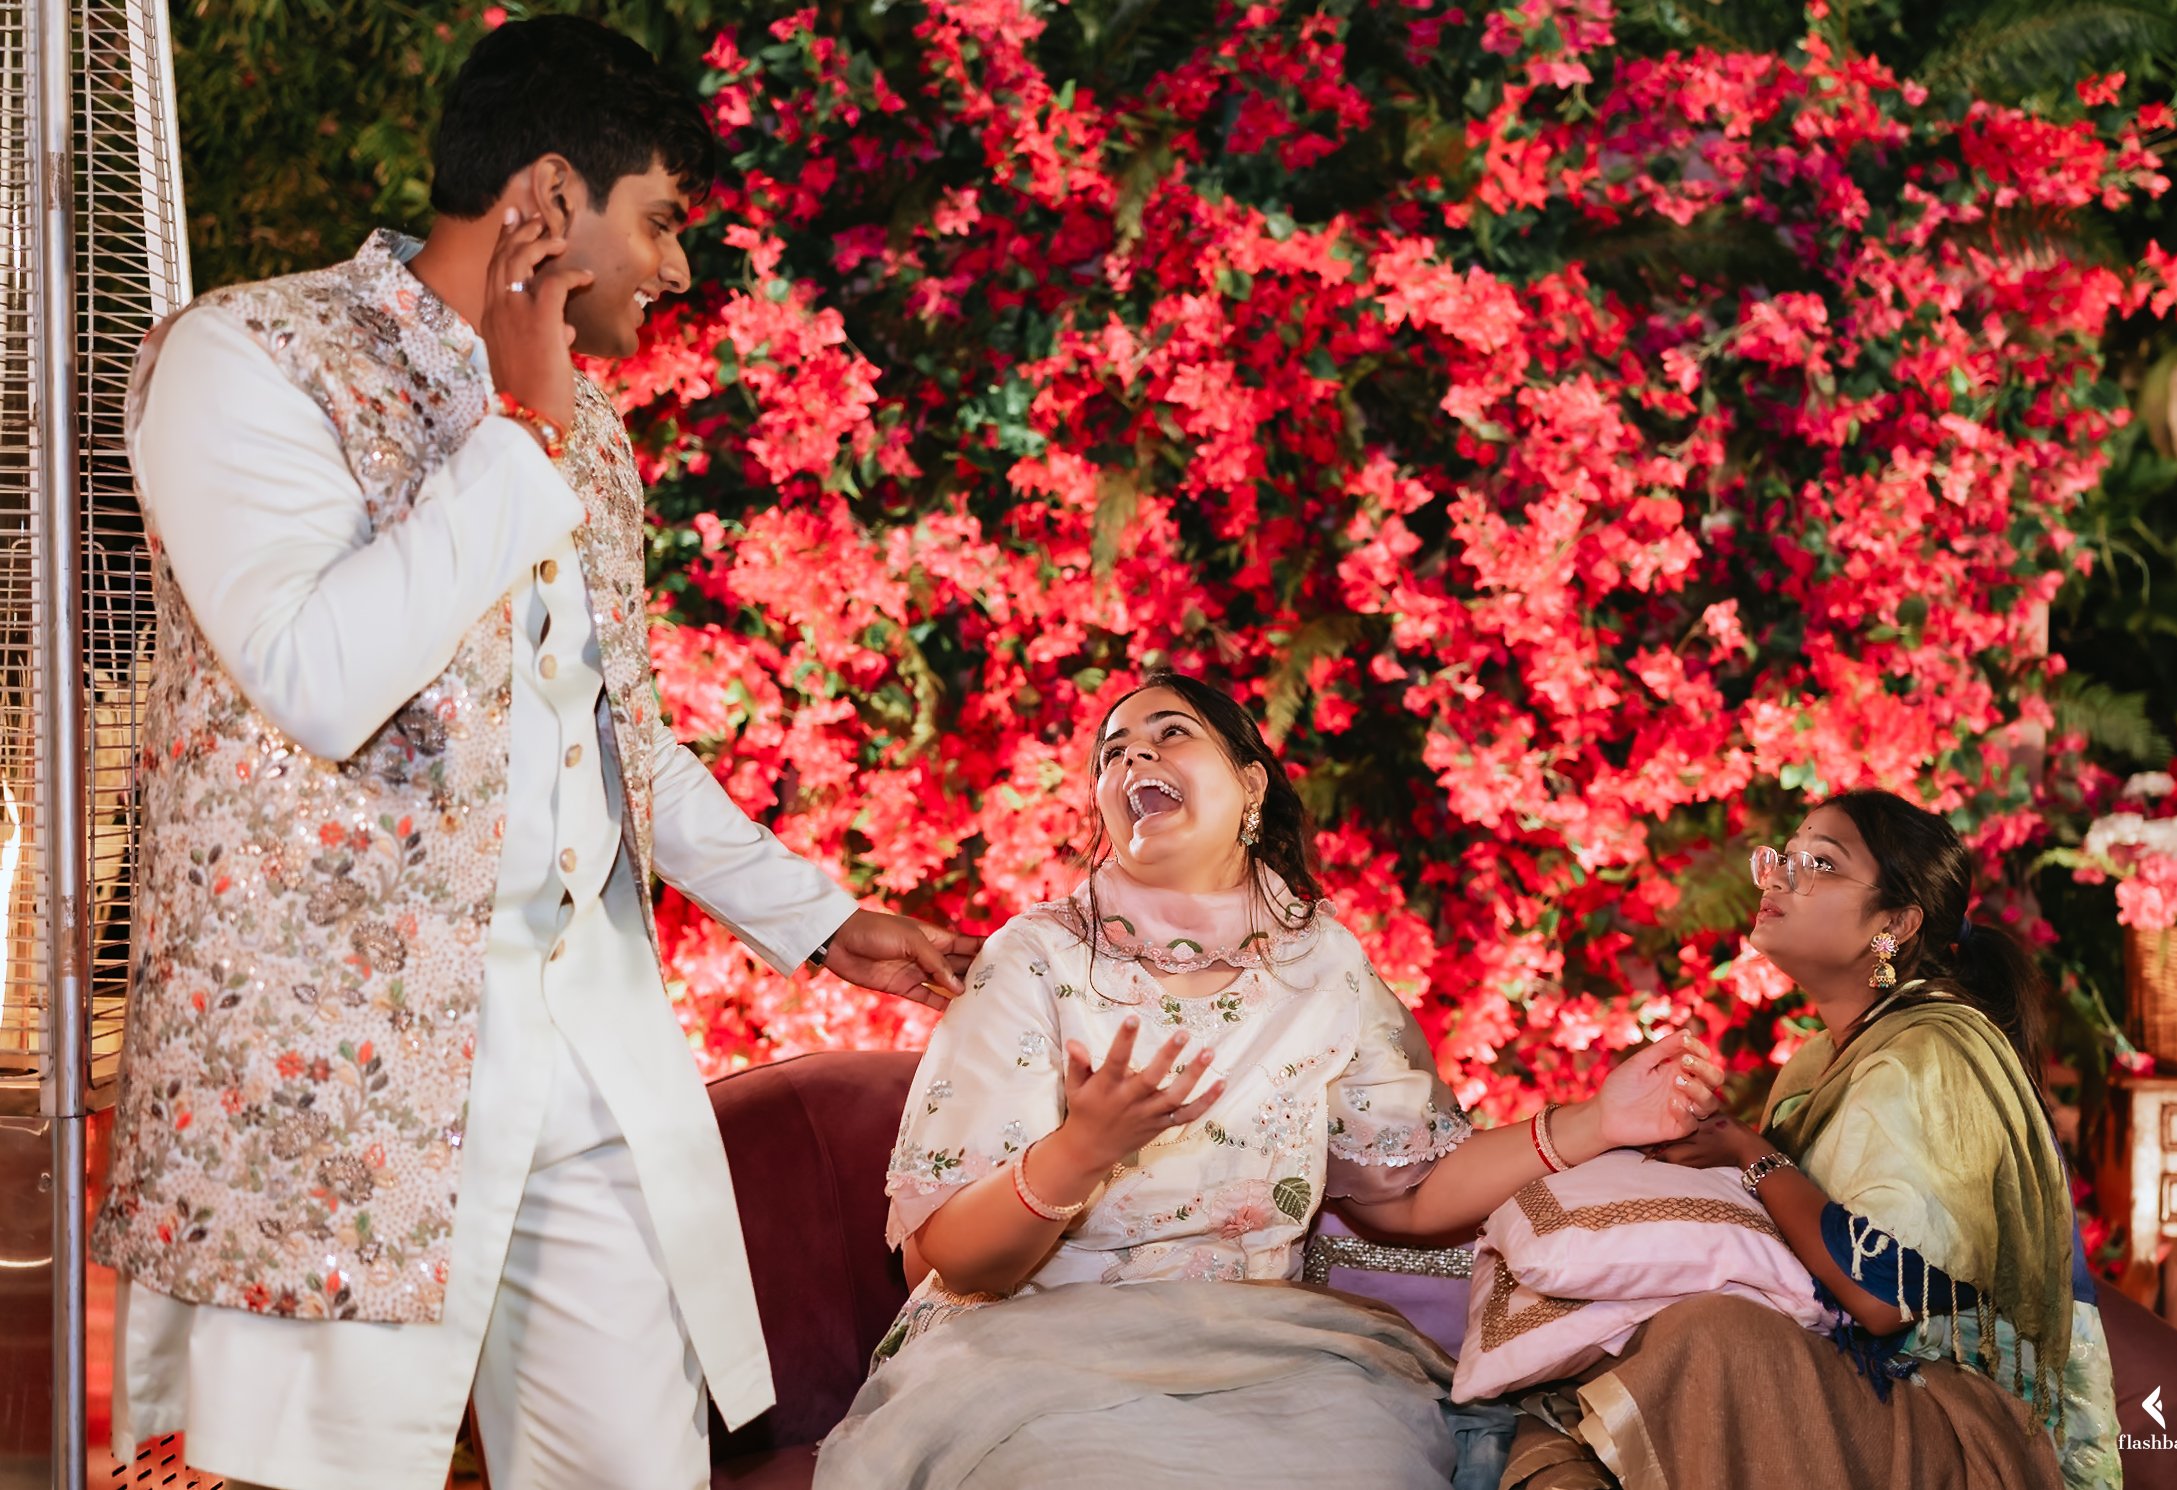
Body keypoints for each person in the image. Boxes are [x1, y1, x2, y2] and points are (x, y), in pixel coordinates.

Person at [93, 17, 977, 1490]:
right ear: (552, 200)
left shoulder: (586, 424)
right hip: (348, 1081)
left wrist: (824, 921)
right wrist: (516, 427)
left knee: (638, 1469)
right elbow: (318, 679)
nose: (677, 267)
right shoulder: (246, 356)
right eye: (663, 219)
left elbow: (616, 734)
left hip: (587, 1068)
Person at [815, 673, 1726, 1488]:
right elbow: (944, 1259)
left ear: (1251, 785)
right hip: (1032, 1353)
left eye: (1170, 733)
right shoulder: (1035, 959)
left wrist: (1598, 1120)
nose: (1134, 757)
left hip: (1267, 1352)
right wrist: (1081, 1151)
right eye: (1113, 752)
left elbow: (1406, 1194)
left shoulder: (1323, 965)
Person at [1555, 790, 2119, 1490]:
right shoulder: (1817, 1063)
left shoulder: (1936, 1050)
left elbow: (1885, 1294)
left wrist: (1749, 1154)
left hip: (1979, 1429)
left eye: (1821, 863)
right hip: (1872, 1388)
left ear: (1894, 925)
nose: (1778, 877)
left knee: (1714, 1340)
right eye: (1783, 856)